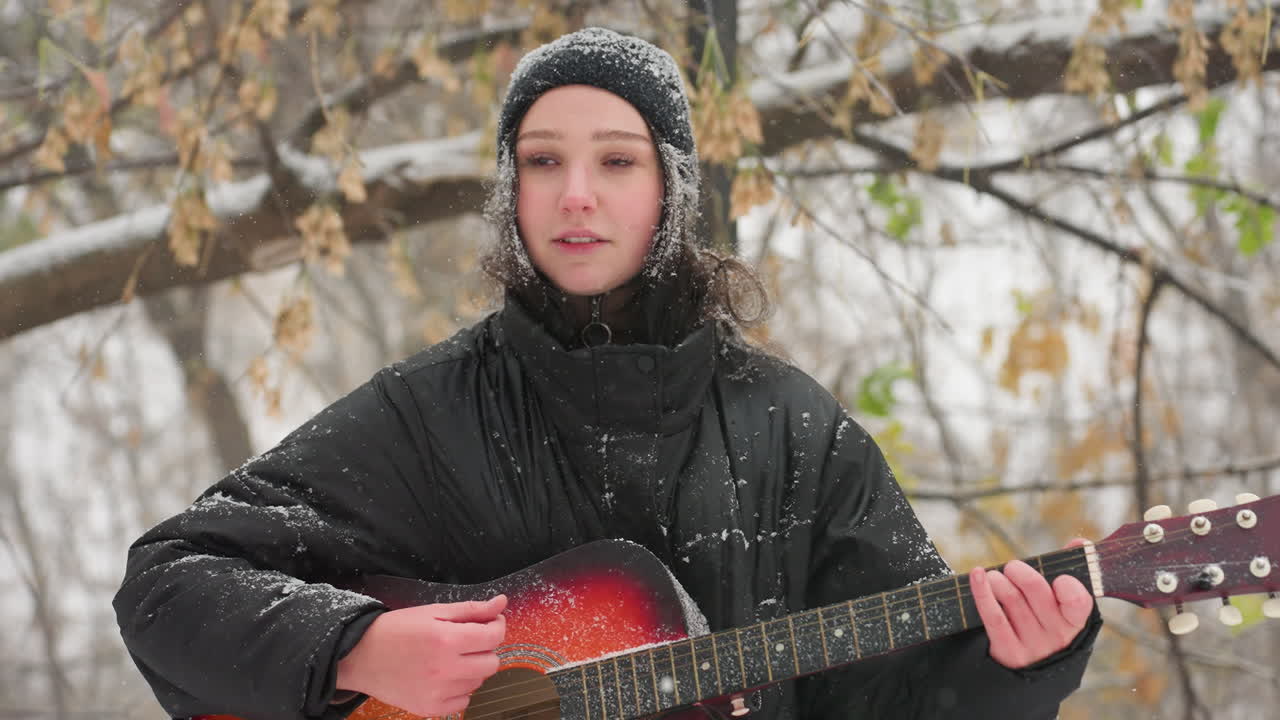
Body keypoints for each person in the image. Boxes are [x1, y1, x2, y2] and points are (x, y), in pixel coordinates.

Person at [114, 27, 1101, 720]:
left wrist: (1015, 670)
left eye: (616, 162)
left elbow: (890, 700)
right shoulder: (430, 415)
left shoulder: (795, 432)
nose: (574, 196)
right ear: (510, 190)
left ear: (673, 187)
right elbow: (170, 583)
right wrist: (355, 650)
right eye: (542, 161)